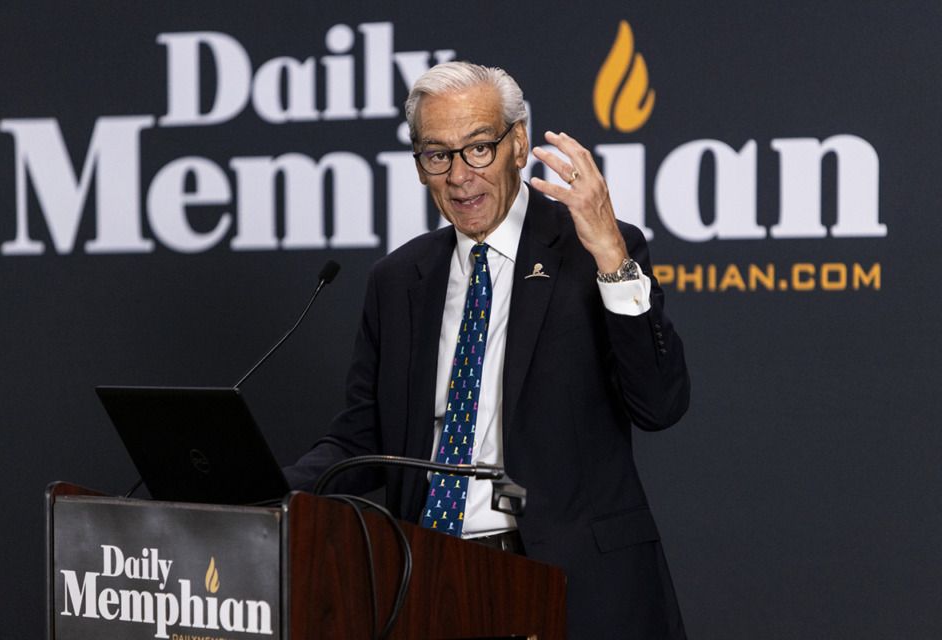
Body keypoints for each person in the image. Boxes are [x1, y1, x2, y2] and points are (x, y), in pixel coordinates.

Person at [284, 60, 690, 639]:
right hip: (428, 579)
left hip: (573, 585)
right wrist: (262, 492)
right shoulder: (398, 278)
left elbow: (660, 405)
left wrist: (612, 259)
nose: (459, 175)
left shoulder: (591, 252)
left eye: (478, 148)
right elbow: (360, 438)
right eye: (436, 154)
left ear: (518, 144)